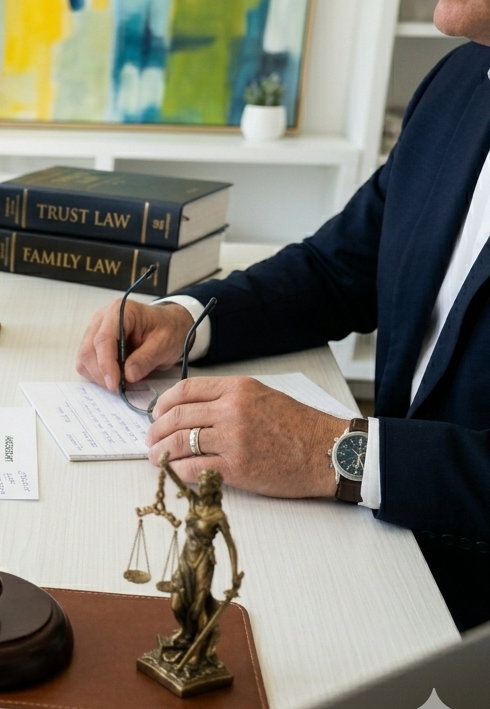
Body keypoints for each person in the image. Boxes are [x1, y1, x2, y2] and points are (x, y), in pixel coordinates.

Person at [75, 0, 490, 631]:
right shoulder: (459, 83)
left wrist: (333, 453)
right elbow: (338, 268)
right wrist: (185, 319)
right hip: (384, 554)